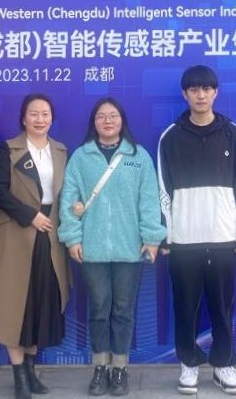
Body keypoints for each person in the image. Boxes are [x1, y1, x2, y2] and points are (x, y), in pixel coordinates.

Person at [157, 65, 236, 396]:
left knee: (222, 306)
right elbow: (162, 190)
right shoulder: (170, 137)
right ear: (184, 94)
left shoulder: (233, 134)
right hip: (183, 241)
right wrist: (167, 235)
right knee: (185, 306)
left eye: (207, 89)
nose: (201, 95)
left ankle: (224, 364)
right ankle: (189, 363)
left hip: (224, 238)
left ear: (215, 92)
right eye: (194, 89)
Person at [59, 97, 166, 397]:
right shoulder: (81, 157)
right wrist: (72, 238)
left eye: (113, 116)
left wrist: (152, 238)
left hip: (129, 250)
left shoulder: (138, 156)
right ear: (93, 122)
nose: (107, 121)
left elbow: (149, 200)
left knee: (123, 311)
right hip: (91, 250)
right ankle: (100, 367)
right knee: (98, 310)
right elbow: (69, 200)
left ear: (122, 121)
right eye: (101, 116)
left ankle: (119, 368)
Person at [0, 94, 70, 399]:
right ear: (23, 118)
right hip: (18, 233)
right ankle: (19, 375)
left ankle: (31, 371)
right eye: (34, 114)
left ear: (52, 118)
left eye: (45, 114)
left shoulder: (61, 151)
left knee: (41, 303)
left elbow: (66, 193)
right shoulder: (8, 149)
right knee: (15, 304)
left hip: (50, 234)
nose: (39, 119)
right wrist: (29, 215)